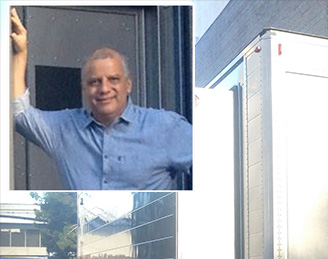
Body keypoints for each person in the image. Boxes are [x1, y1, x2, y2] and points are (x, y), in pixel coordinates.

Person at [10, 8, 192, 190]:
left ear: (128, 85)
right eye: (94, 82)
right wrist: (20, 54)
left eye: (113, 79)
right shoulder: (64, 130)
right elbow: (20, 113)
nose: (104, 89)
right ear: (84, 89)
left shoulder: (165, 127)